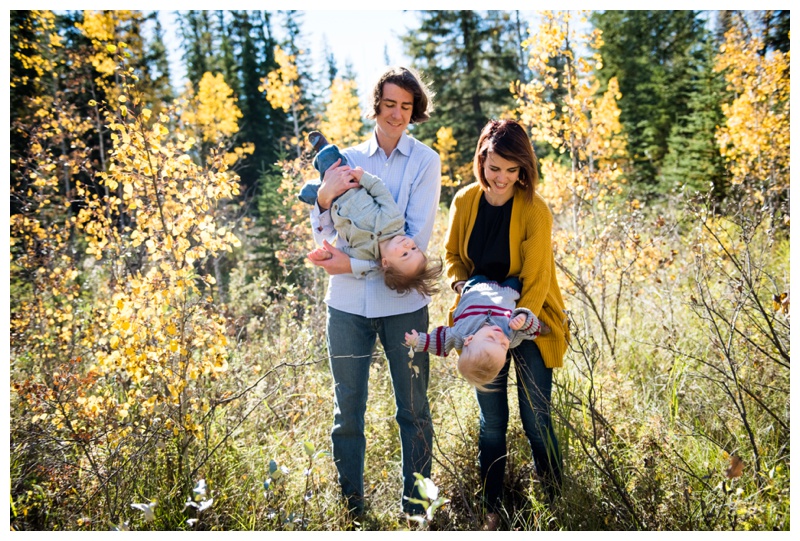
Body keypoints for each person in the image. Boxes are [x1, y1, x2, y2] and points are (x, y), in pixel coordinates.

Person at [306, 66, 441, 519]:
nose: (397, 114)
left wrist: (353, 263)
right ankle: (353, 512)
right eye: (390, 104)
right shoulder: (348, 158)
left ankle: (417, 512)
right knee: (348, 415)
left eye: (406, 106)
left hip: (404, 307)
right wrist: (323, 198)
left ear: (414, 109)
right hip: (345, 306)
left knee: (414, 410)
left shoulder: (425, 161)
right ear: (376, 105)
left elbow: (412, 245)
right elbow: (326, 227)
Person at [444, 119, 569, 529]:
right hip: (481, 323)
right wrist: (461, 283)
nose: (501, 179)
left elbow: (538, 277)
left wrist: (522, 316)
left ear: (524, 170)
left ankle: (554, 499)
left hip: (528, 320)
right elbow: (453, 257)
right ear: (482, 159)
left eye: (512, 170)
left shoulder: (535, 208)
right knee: (492, 421)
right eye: (494, 167)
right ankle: (491, 507)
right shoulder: (464, 201)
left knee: (537, 419)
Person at [304, 131, 441, 296]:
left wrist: (326, 253)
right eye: (414, 247)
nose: (408, 244)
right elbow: (381, 192)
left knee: (306, 193)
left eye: (405, 253)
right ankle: (323, 147)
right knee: (332, 161)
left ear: (385, 263)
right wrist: (363, 178)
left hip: (334, 204)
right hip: (350, 186)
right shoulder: (395, 222)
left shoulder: (364, 254)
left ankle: (318, 184)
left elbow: (343, 253)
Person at [403, 275, 550, 390]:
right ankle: (544, 325)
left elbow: (439, 343)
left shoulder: (460, 334)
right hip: (508, 291)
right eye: (504, 346)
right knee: (517, 281)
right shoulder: (510, 335)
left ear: (469, 340)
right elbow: (531, 332)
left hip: (476, 288)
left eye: (491, 338)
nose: (500, 337)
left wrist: (418, 341)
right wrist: (524, 320)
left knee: (476, 276)